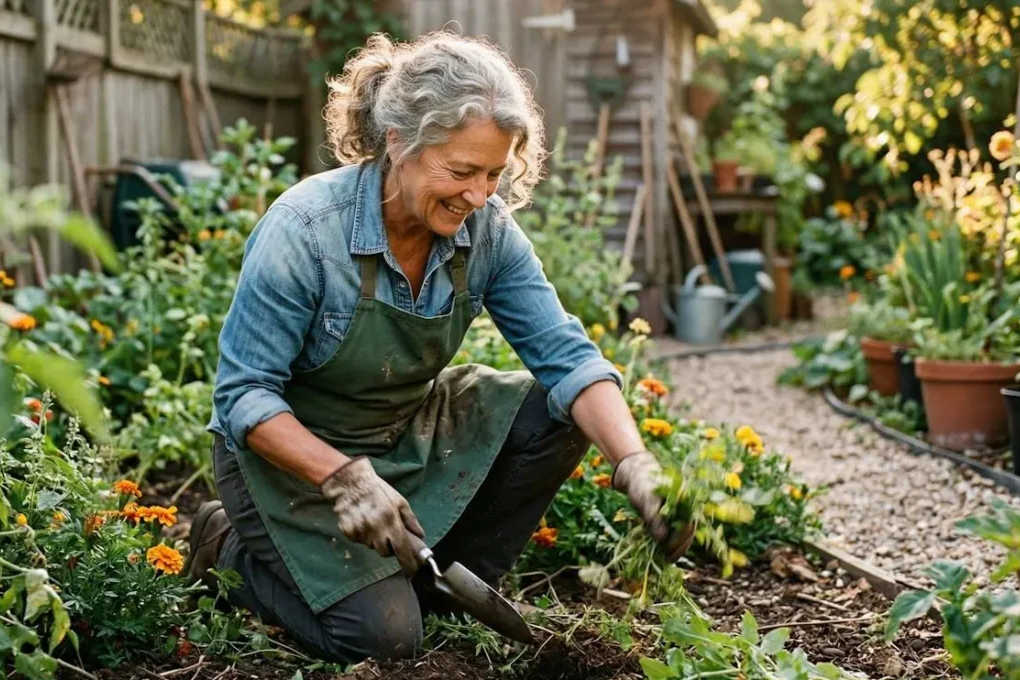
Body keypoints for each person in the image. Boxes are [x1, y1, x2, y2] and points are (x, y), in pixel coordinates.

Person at [185, 31, 691, 663]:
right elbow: (243, 397)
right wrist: (341, 477)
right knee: (384, 639)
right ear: (398, 141)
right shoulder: (306, 231)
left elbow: (570, 359)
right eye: (460, 171)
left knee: (556, 415)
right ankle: (227, 545)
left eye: (494, 175)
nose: (479, 196)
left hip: (402, 432)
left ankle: (443, 585)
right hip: (291, 462)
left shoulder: (487, 231)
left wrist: (634, 461)